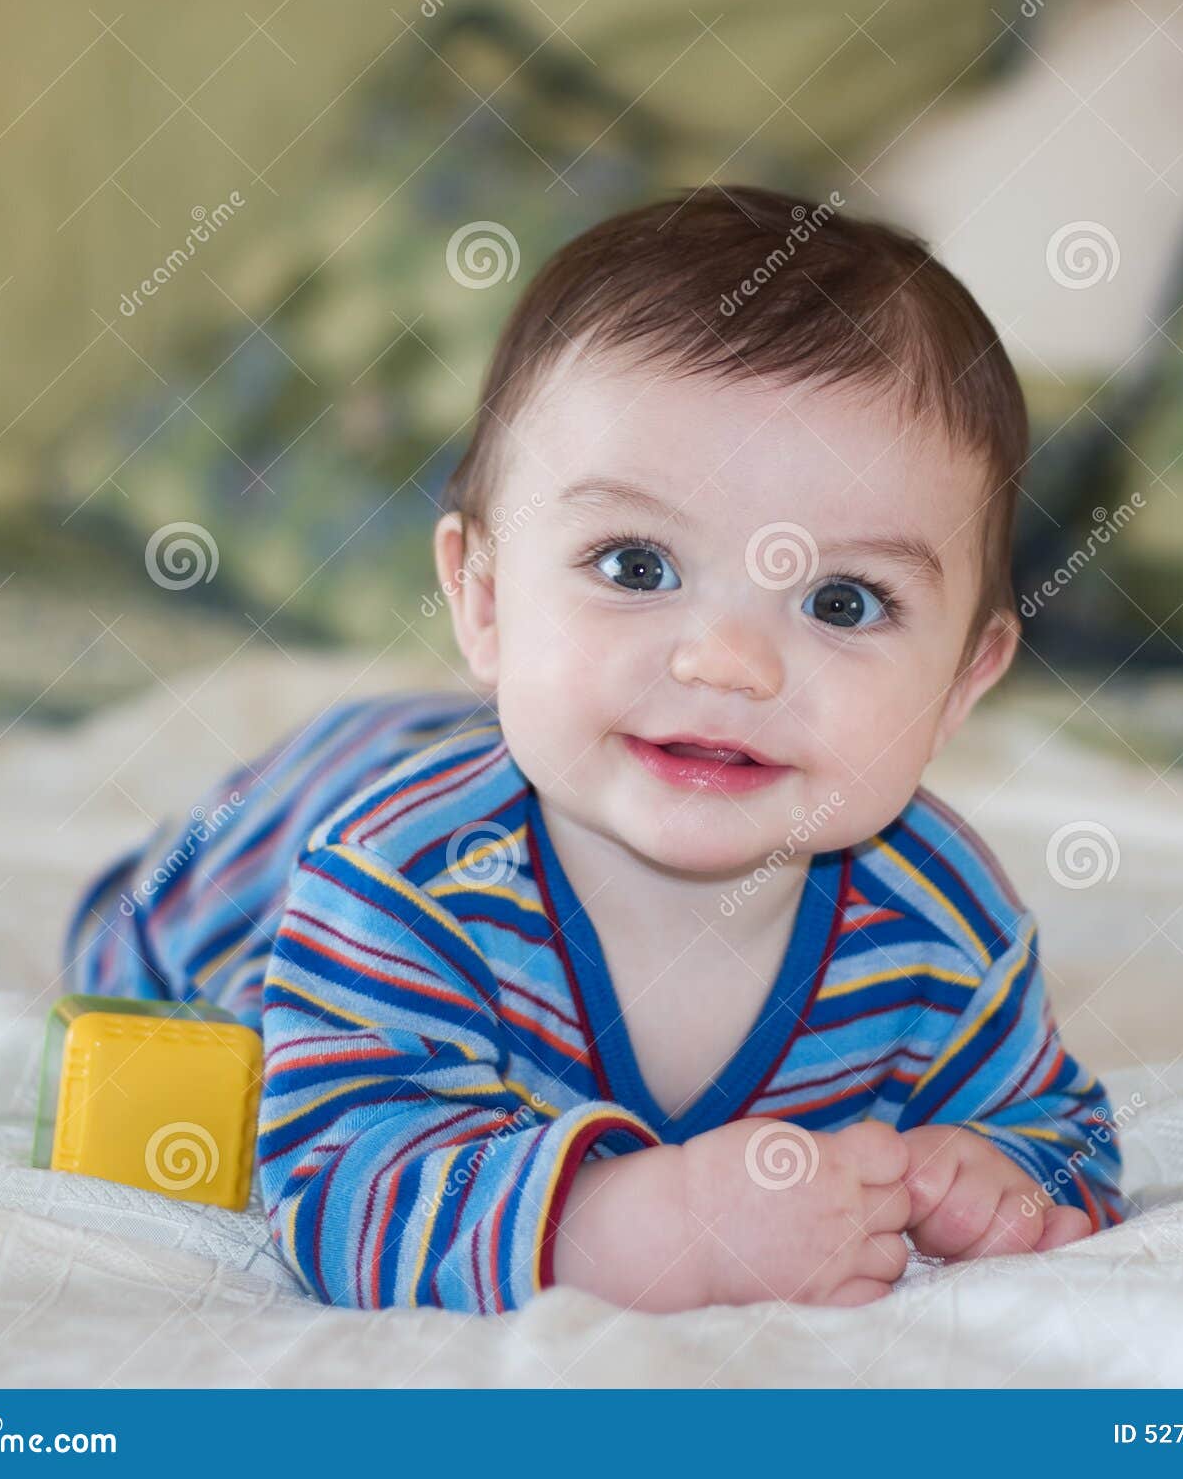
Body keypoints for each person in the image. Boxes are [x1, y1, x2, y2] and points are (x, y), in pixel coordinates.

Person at [64, 186, 1125, 1315]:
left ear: (964, 679)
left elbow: (1066, 1138)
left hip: (511, 745)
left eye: (844, 600)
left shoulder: (942, 925)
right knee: (152, 994)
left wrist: (994, 1174)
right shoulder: (398, 882)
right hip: (291, 829)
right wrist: (643, 1228)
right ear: (481, 597)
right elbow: (342, 1189)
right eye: (635, 567)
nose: (729, 664)